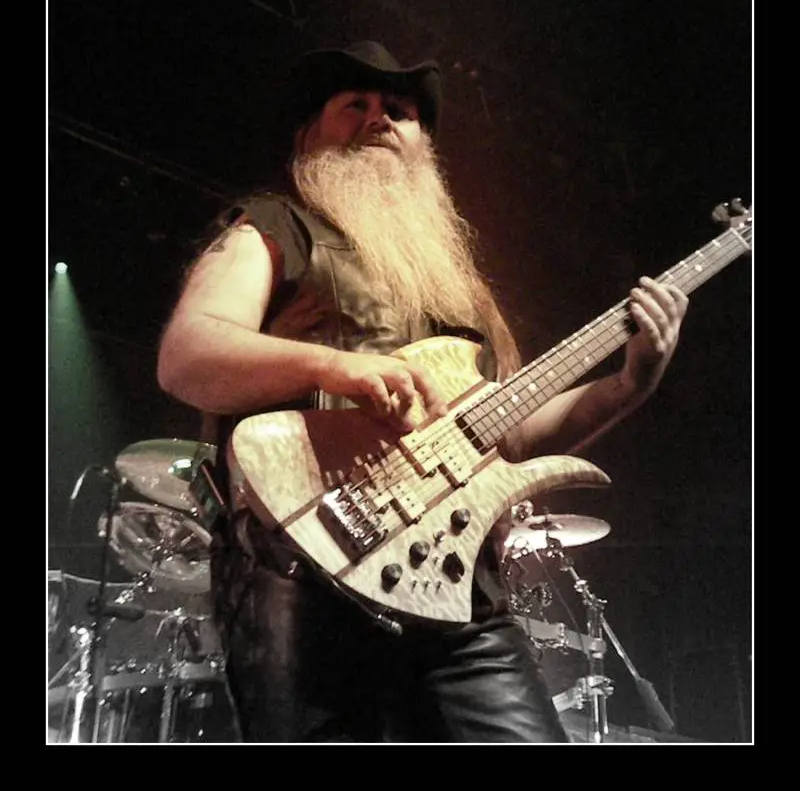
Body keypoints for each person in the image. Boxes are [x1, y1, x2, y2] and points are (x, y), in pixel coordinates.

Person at [156, 40, 688, 743]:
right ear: (310, 136)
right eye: (356, 104)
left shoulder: (459, 287)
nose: (379, 118)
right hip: (305, 571)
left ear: (423, 147)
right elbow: (189, 354)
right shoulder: (275, 225)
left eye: (399, 111)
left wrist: (629, 381)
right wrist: (336, 368)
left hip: (458, 590)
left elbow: (512, 434)